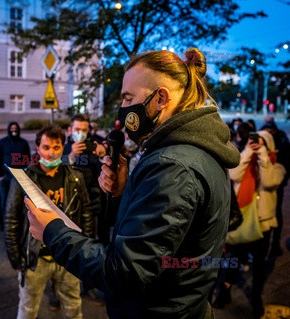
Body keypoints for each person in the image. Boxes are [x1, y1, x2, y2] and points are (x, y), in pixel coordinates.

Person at [25, 48, 241, 319]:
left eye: (129, 97)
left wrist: (52, 231)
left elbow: (124, 272)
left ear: (160, 98)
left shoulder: (173, 165)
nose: (124, 108)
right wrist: (126, 193)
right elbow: (164, 236)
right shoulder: (191, 151)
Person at [4, 125, 94, 319]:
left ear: (63, 148)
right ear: (37, 148)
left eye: (56, 148)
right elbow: (11, 219)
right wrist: (16, 258)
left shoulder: (75, 177)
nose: (51, 153)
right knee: (28, 309)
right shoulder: (24, 179)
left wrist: (84, 251)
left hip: (68, 256)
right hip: (36, 258)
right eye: (46, 147)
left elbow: (86, 213)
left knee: (73, 307)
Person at [228, 130, 285, 318]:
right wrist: (247, 152)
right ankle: (224, 288)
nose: (256, 144)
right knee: (233, 259)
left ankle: (256, 296)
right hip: (242, 222)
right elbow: (234, 174)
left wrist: (262, 156)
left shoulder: (277, 167)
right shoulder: (244, 162)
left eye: (261, 143)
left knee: (259, 263)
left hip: (263, 225)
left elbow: (269, 182)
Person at [261, 117, 290, 256]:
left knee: (276, 213)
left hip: (277, 185)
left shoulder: (283, 142)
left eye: (271, 131)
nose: (269, 135)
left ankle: (275, 243)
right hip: (261, 188)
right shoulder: (260, 144)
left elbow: (286, 164)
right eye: (266, 131)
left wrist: (282, 181)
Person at [0, 122, 30, 226]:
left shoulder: (23, 143)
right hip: (5, 177)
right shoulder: (2, 143)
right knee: (5, 201)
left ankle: (18, 224)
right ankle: (5, 224)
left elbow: (27, 159)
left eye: (16, 128)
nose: (14, 130)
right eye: (12, 128)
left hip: (20, 177)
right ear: (9, 129)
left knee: (20, 202)